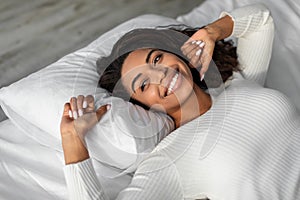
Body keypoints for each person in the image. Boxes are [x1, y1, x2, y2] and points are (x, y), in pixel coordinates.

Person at [60, 3, 300, 200]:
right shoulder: (169, 159)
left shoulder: (239, 81)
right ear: (139, 104)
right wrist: (73, 141)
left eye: (157, 59)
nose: (161, 75)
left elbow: (261, 20)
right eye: (143, 83)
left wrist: (210, 32)